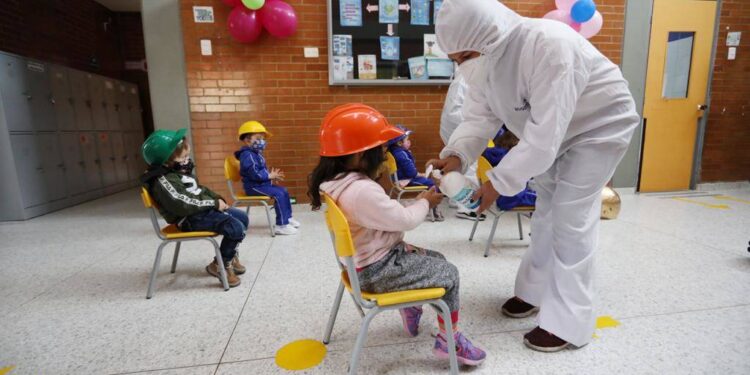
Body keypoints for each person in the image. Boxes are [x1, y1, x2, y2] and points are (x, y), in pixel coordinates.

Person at [429, 0, 639, 352]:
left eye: (463, 56)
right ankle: (534, 291)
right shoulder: (486, 62)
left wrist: (494, 185)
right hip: (552, 135)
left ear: (487, 35)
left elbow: (544, 138)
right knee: (546, 213)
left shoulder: (549, 43)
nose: (460, 66)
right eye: (455, 59)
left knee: (571, 217)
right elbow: (479, 120)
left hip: (599, 126)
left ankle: (569, 323)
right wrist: (455, 156)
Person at [309, 104, 486, 366]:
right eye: (380, 148)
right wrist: (426, 201)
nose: (385, 154)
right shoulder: (361, 191)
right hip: (378, 270)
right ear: (359, 154)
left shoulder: (336, 182)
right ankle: (450, 339)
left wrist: (418, 200)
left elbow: (385, 215)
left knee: (437, 257)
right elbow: (405, 220)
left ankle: (412, 306)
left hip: (360, 264)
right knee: (449, 273)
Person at [140, 129, 248, 287]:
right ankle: (220, 265)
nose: (187, 159)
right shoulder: (163, 180)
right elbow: (182, 202)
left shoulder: (179, 171)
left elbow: (199, 190)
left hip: (200, 212)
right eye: (183, 157)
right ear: (166, 162)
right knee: (235, 227)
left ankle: (228, 255)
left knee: (242, 218)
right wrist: (213, 204)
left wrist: (217, 198)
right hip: (188, 219)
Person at [236, 121, 299, 236]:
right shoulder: (247, 155)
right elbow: (253, 173)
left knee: (283, 191)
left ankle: (287, 218)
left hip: (261, 185)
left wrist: (270, 178)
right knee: (278, 194)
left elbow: (260, 171)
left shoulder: (256, 153)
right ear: (247, 140)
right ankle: (281, 226)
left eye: (263, 138)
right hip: (253, 187)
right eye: (258, 138)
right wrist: (269, 176)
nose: (262, 141)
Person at [440, 65, 486, 222]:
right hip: (458, 128)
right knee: (469, 165)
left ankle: (456, 199)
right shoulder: (463, 81)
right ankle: (467, 207)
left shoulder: (467, 79)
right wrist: (477, 122)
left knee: (460, 165)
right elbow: (455, 112)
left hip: (458, 127)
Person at [388, 125, 444, 221]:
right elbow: (411, 173)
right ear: (399, 142)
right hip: (406, 180)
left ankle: (422, 203)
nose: (409, 142)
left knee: (427, 181)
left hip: (399, 178)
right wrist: (420, 174)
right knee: (433, 184)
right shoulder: (402, 154)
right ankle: (434, 211)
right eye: (407, 140)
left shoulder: (394, 151)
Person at [483, 128, 537, 210]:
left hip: (497, 196)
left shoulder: (489, 154)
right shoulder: (512, 159)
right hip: (512, 198)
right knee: (545, 198)